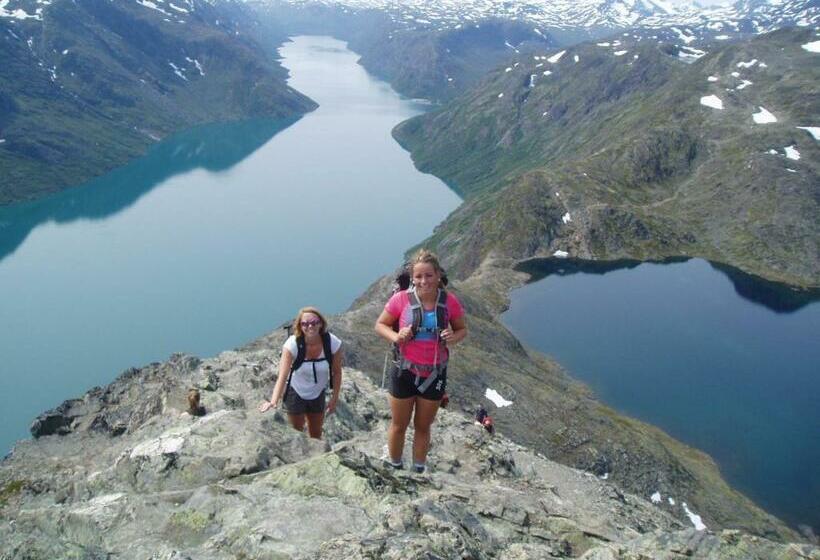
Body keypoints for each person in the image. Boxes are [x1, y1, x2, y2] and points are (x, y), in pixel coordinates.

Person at [375, 249, 467, 473]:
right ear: (413, 278)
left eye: (428, 275)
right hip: (404, 371)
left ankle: (418, 470)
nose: (423, 281)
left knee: (423, 426)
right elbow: (380, 325)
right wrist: (397, 337)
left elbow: (462, 329)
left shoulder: (450, 302)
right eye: (418, 276)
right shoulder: (401, 300)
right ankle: (395, 466)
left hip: (434, 373)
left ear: (438, 276)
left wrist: (452, 337)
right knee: (399, 425)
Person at [259, 307, 342, 439]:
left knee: (316, 433)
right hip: (296, 394)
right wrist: (273, 401)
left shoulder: (331, 342)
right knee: (296, 433)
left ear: (321, 323)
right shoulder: (292, 344)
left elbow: (337, 372)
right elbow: (283, 375)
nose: (310, 326)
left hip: (318, 393)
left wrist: (334, 398)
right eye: (305, 323)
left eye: (314, 322)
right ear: (300, 326)